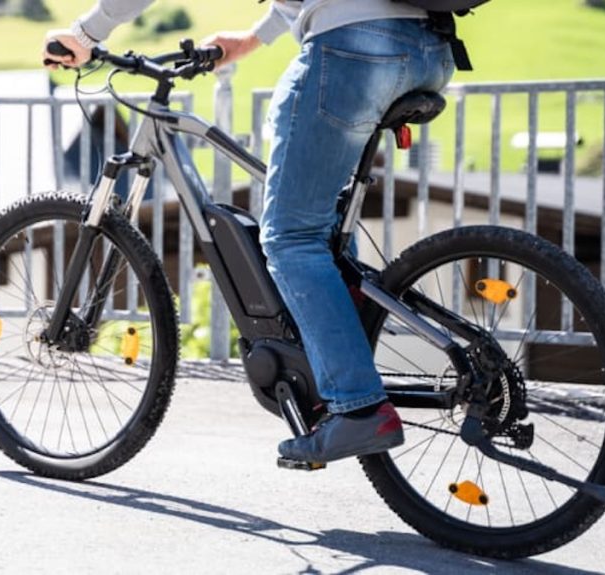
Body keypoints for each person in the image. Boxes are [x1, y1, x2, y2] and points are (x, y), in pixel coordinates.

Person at [44, 0, 456, 463]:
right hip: (428, 50)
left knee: (290, 239)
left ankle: (358, 409)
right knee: (322, 233)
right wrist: (248, 41)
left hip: (353, 51)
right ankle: (331, 365)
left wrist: (86, 33)